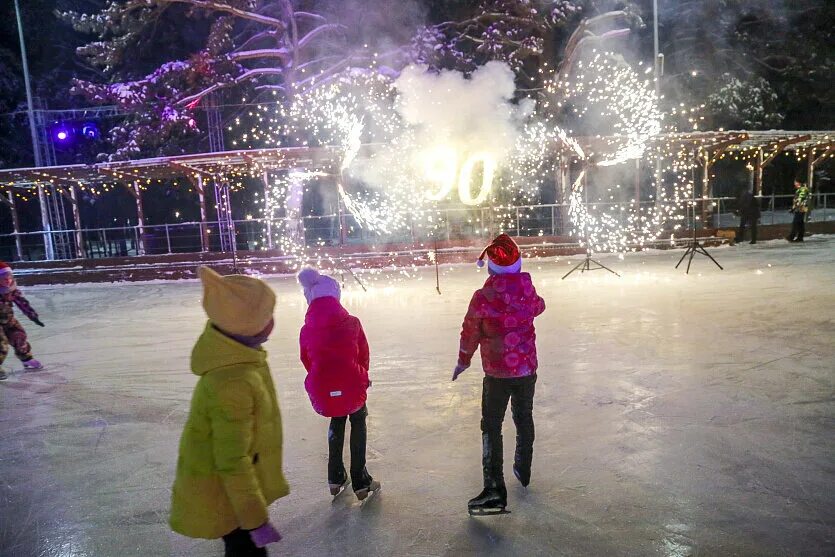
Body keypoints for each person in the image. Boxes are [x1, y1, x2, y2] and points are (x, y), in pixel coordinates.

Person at [170, 267, 288, 557]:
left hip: (232, 495)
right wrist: (254, 519)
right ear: (248, 325)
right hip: (229, 499)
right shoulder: (232, 383)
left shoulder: (240, 358)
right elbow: (232, 461)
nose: (272, 321)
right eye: (266, 316)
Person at [452, 234, 546, 514]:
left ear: (491, 268)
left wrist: (463, 360)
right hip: (527, 370)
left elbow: (470, 331)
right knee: (523, 417)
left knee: (491, 426)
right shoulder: (527, 290)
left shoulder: (483, 297)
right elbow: (539, 306)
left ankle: (494, 489)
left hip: (497, 374)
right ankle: (523, 467)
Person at [297, 268, 379, 501]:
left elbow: (306, 359)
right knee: (358, 418)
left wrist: (323, 380)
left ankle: (335, 477)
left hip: (322, 386)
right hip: (352, 383)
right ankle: (361, 480)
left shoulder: (306, 330)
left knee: (337, 417)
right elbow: (363, 354)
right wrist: (362, 377)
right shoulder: (352, 323)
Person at [0, 261, 44, 380]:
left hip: (8, 318)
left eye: (9, 277)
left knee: (19, 335)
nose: (7, 280)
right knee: (1, 344)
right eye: (3, 278)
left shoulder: (10, 289)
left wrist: (32, 316)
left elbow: (21, 302)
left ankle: (26, 359)